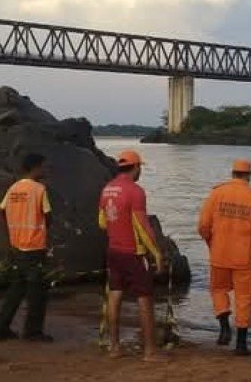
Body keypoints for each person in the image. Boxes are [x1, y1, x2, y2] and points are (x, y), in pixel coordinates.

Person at [198, 159, 251, 355]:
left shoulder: (216, 193)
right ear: (249, 175)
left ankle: (224, 327)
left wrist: (211, 243)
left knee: (218, 290)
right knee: (244, 298)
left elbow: (203, 225)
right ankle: (241, 344)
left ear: (232, 173)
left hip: (219, 253)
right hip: (243, 257)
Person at [98, 150, 164, 361]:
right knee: (144, 298)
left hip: (113, 250)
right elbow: (142, 226)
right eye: (140, 168)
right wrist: (157, 254)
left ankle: (115, 347)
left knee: (115, 295)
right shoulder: (135, 191)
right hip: (133, 253)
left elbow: (101, 222)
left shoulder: (108, 189)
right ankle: (150, 351)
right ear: (135, 168)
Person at [0, 153, 53, 342]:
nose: (44, 170)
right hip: (34, 246)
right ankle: (32, 332)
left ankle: (1, 328)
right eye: (42, 166)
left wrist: (10, 233)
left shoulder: (14, 188)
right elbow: (48, 215)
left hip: (17, 245)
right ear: (35, 167)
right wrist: (42, 229)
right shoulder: (39, 189)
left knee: (17, 288)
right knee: (37, 291)